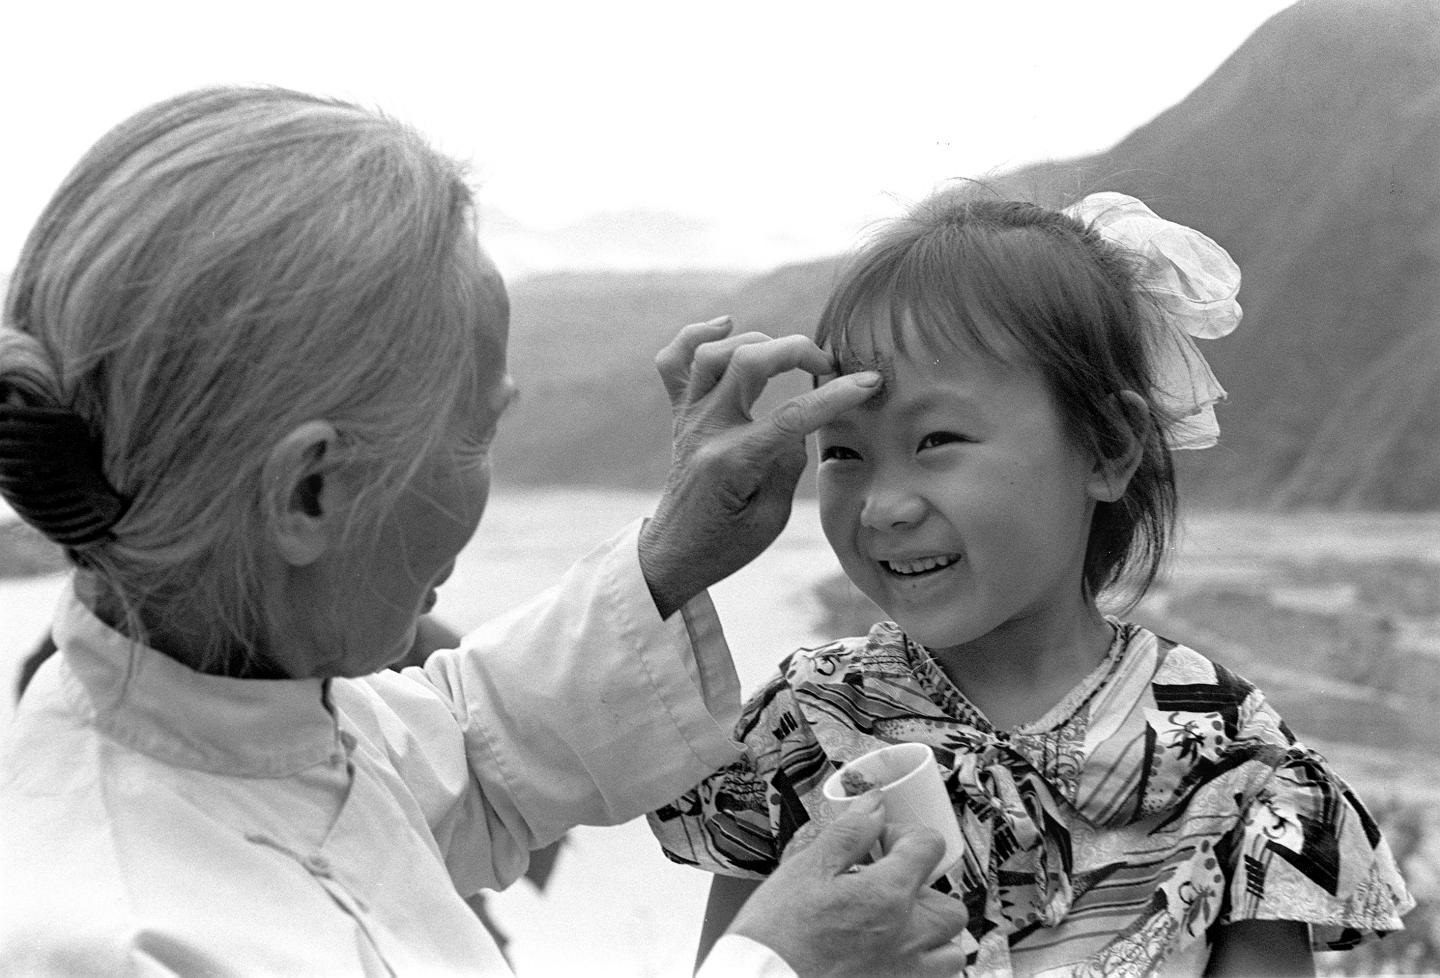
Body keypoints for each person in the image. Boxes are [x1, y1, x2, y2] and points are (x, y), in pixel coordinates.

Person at [0, 86, 967, 977]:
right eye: (475, 434)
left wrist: (675, 552)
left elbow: (470, 750)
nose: (483, 482)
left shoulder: (242, 720)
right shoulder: (111, 943)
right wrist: (780, 964)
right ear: (310, 491)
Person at [649, 190, 1415, 976]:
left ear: (1108, 448)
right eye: (842, 452)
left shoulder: (1230, 756)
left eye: (936, 439)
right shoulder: (806, 728)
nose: (883, 507)